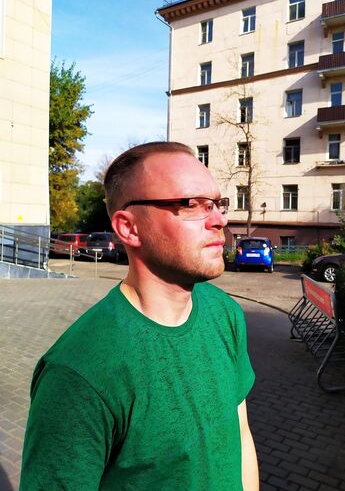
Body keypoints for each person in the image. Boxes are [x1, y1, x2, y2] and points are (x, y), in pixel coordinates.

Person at [20, 141, 259, 490]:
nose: (219, 221)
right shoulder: (79, 373)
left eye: (216, 204)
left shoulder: (226, 313)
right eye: (190, 204)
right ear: (129, 228)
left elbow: (241, 434)